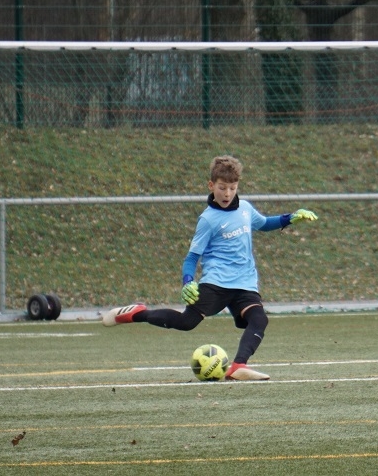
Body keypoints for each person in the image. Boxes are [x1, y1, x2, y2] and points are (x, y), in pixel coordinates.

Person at [101, 155, 318, 381]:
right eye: (222, 187)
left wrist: (290, 218)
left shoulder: (245, 208)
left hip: (245, 283)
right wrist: (188, 281)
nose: (227, 193)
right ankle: (137, 314)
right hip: (216, 283)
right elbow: (192, 257)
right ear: (211, 185)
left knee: (259, 319)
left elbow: (263, 224)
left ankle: (237, 367)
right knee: (187, 323)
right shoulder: (208, 220)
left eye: (232, 188)